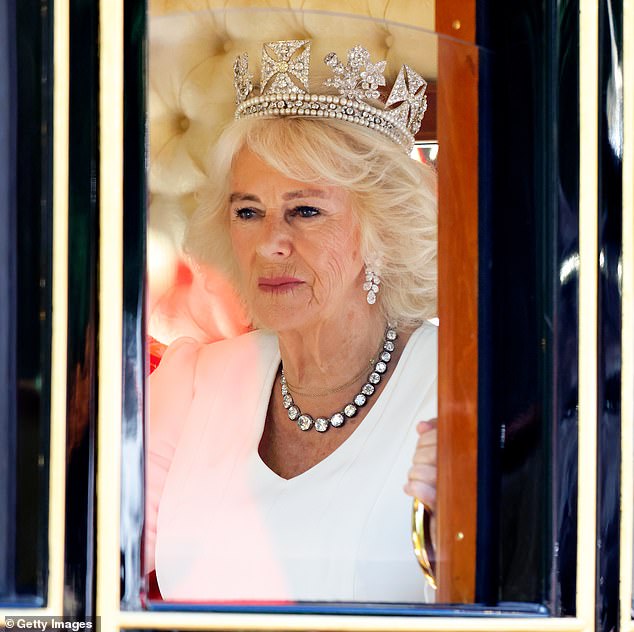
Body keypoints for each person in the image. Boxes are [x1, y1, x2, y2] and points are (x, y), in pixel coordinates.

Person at [146, 40, 438, 603]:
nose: (270, 244)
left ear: (379, 231)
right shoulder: (195, 380)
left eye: (305, 211)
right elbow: (89, 562)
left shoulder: (451, 387)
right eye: (248, 211)